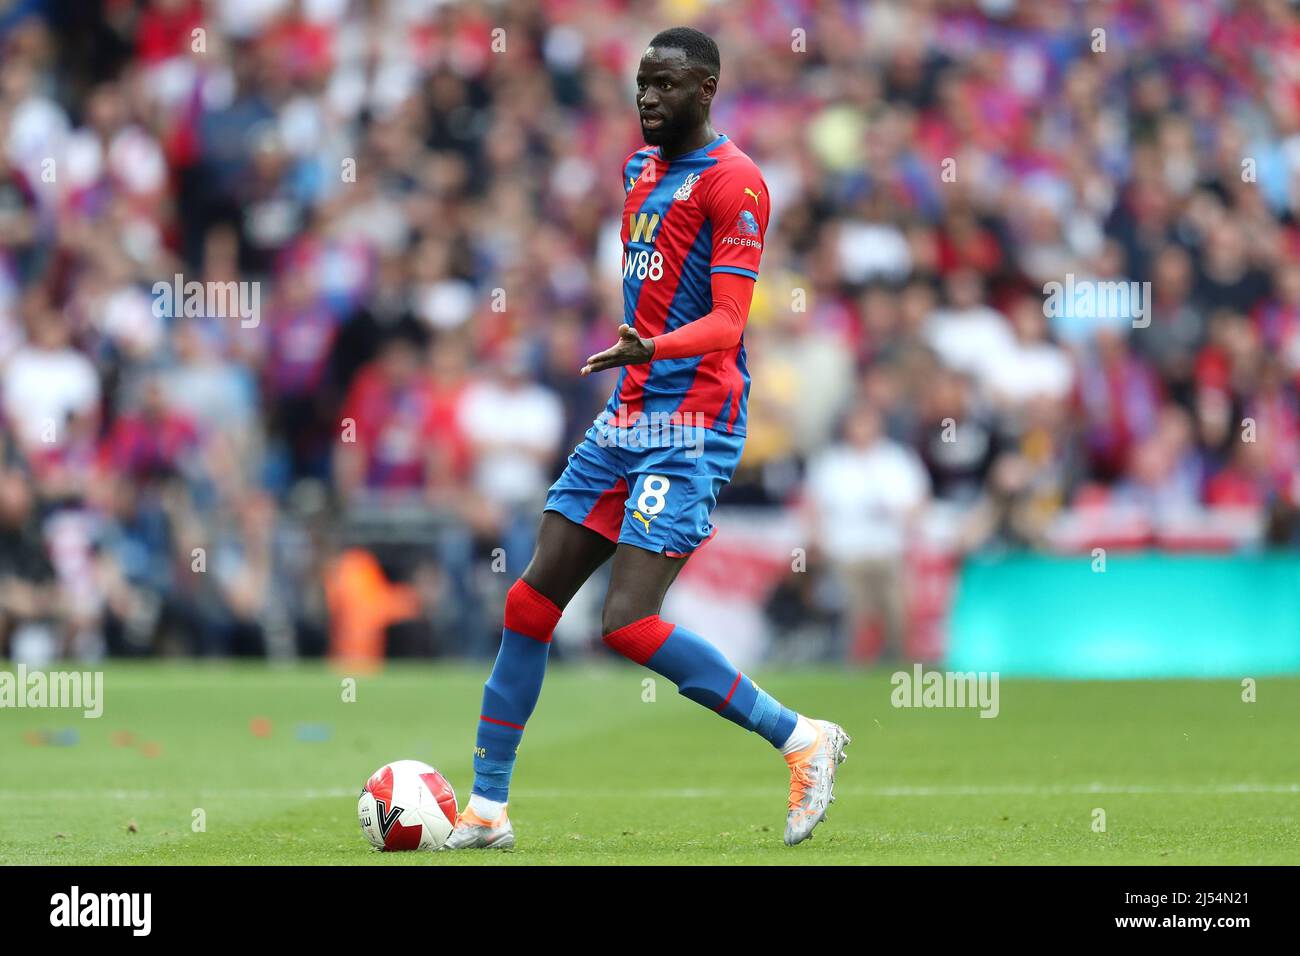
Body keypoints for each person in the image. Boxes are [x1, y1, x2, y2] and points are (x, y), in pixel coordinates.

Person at [445, 27, 849, 851]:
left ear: (706, 90)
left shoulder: (738, 183)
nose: (648, 99)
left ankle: (803, 737)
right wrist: (639, 356)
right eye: (640, 84)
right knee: (529, 601)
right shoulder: (638, 171)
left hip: (690, 426)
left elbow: (730, 321)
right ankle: (487, 808)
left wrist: (651, 348)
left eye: (665, 85)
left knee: (627, 623)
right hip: (626, 413)